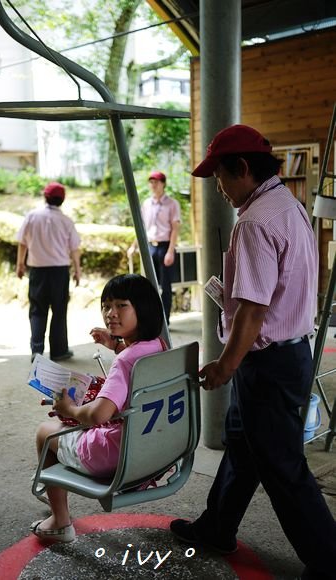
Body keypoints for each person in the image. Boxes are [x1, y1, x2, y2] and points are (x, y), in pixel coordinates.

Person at [170, 124, 336, 579]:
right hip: (286, 355)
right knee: (243, 446)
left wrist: (227, 364)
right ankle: (216, 527)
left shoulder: (255, 222)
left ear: (242, 168)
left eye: (220, 177)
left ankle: (328, 559)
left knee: (283, 467)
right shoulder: (288, 206)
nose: (218, 188)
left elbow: (253, 311)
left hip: (268, 362)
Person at [31, 273, 165, 543]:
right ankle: (57, 496)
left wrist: (69, 410)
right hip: (154, 448)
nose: (110, 313)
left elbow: (98, 415)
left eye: (121, 306)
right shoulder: (159, 346)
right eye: (106, 305)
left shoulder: (125, 362)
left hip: (113, 457)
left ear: (144, 308)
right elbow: (133, 361)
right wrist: (115, 344)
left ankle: (60, 520)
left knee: (46, 432)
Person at [16, 182, 81, 363]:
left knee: (37, 310)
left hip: (37, 271)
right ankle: (59, 351)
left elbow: (22, 242)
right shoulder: (66, 221)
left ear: (45, 197)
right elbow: (74, 248)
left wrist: (20, 264)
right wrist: (77, 270)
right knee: (59, 311)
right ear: (62, 200)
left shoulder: (32, 216)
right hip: (59, 272)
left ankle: (37, 350)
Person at [127, 171, 181, 324]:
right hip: (150, 247)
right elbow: (142, 228)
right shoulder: (146, 204)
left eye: (156, 182)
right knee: (150, 286)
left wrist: (170, 251)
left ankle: (165, 321)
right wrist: (133, 246)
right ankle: (153, 319)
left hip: (165, 247)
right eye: (151, 182)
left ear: (163, 183)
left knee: (165, 286)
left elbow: (175, 228)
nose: (153, 185)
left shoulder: (172, 203)